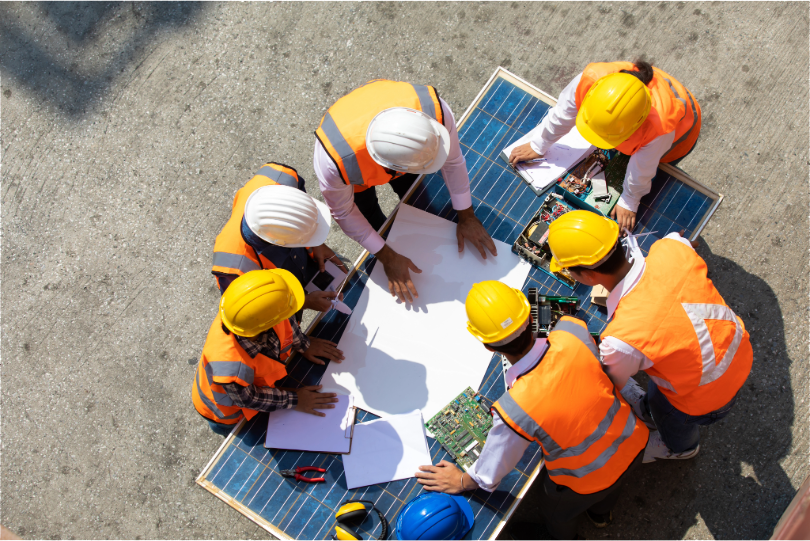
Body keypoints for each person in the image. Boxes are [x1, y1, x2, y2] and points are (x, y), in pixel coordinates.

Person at [415, 281, 649, 539]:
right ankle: (601, 515)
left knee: (558, 513)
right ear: (529, 316)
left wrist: (461, 481)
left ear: (488, 346)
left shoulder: (514, 409)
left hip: (587, 478)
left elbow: (490, 473)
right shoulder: (572, 329)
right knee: (612, 486)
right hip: (634, 439)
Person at [547, 210, 753, 462]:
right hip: (739, 354)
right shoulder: (671, 246)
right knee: (658, 391)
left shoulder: (621, 338)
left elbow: (610, 382)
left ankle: (681, 449)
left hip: (705, 401)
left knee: (670, 417)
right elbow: (684, 241)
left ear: (588, 276)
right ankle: (648, 408)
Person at [313, 80, 497, 304]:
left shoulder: (434, 113)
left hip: (398, 155)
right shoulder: (335, 162)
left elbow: (453, 162)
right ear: (390, 166)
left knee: (414, 195)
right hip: (355, 169)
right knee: (371, 217)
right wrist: (386, 256)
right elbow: (344, 212)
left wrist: (467, 216)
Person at [509, 60, 701, 232]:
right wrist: (539, 144)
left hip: (681, 132)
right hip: (646, 99)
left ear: (636, 124)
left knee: (661, 167)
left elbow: (644, 168)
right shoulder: (591, 80)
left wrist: (629, 200)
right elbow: (563, 113)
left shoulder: (659, 127)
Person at [192, 269, 343, 436]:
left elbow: (285, 320)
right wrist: (295, 400)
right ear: (265, 327)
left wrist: (303, 344)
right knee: (239, 432)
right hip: (226, 412)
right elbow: (250, 399)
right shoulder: (229, 368)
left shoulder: (256, 311)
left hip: (257, 391)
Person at [211, 162, 348, 313]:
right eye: (303, 238)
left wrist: (316, 243)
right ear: (280, 243)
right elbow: (258, 312)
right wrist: (304, 302)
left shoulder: (281, 176)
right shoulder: (235, 271)